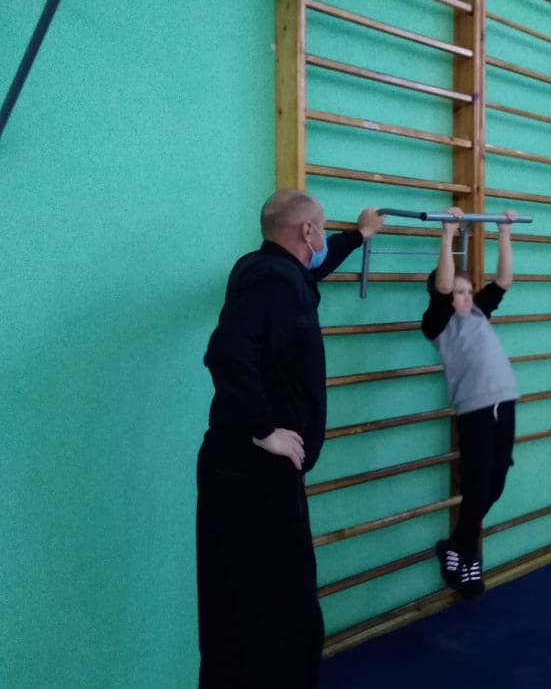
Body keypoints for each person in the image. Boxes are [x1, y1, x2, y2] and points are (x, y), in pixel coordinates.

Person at [196, 189, 385, 689]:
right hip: (254, 476)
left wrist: (358, 235)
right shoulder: (277, 282)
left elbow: (310, 271)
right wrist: (264, 430)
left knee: (235, 606)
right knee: (286, 612)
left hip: (232, 469)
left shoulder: (266, 270)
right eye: (320, 228)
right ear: (307, 232)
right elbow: (227, 352)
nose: (322, 237)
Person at [421, 207, 519, 600]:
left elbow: (504, 279)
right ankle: (468, 555)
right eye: (457, 292)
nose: (464, 296)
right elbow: (444, 287)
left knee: (494, 487)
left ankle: (458, 547)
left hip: (505, 402)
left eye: (468, 291)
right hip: (476, 410)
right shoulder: (438, 322)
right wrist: (447, 235)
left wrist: (504, 232)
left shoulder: (479, 311)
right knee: (477, 490)